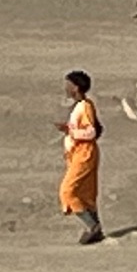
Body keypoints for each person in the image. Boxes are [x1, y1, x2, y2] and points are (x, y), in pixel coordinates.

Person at [57, 71, 103, 245]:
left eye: (68, 85)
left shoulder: (85, 106)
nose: (66, 89)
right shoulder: (80, 106)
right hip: (78, 152)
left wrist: (69, 131)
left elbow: (90, 131)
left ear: (76, 87)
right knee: (85, 191)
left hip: (85, 152)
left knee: (67, 191)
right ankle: (97, 228)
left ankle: (92, 226)